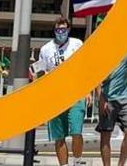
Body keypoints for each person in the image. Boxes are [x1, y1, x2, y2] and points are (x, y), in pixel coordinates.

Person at [37, 18, 88, 166]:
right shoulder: (45, 50)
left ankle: (77, 161)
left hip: (76, 94)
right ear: (54, 31)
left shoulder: (77, 44)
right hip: (55, 96)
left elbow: (85, 68)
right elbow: (40, 72)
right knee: (59, 136)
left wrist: (88, 91)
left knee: (76, 131)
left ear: (69, 29)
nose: (61, 32)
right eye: (58, 30)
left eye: (64, 29)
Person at [96, 37, 127, 166]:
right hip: (107, 96)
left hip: (125, 95)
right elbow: (96, 77)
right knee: (105, 134)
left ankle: (121, 164)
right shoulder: (102, 51)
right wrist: (102, 99)